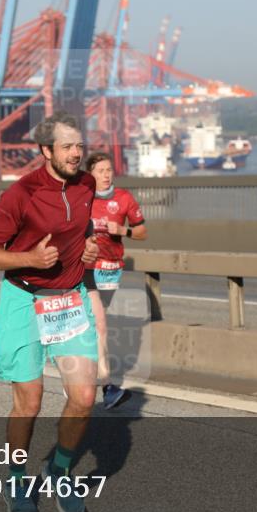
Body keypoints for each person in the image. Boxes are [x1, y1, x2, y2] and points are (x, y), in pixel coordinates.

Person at [0, 110, 100, 512]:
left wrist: (89, 247)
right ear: (46, 151)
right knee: (29, 402)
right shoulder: (21, 193)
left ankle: (59, 470)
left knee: (83, 397)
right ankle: (15, 477)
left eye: (79, 145)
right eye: (67, 146)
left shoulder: (86, 185)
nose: (76, 153)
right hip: (25, 299)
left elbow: (81, 229)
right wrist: (29, 257)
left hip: (69, 300)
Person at [83, 152, 147, 409]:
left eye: (109, 170)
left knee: (97, 325)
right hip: (87, 267)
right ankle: (104, 385)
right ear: (90, 174)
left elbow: (142, 232)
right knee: (98, 325)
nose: (107, 175)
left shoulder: (123, 198)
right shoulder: (82, 198)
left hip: (112, 269)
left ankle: (88, 377)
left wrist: (124, 231)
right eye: (101, 170)